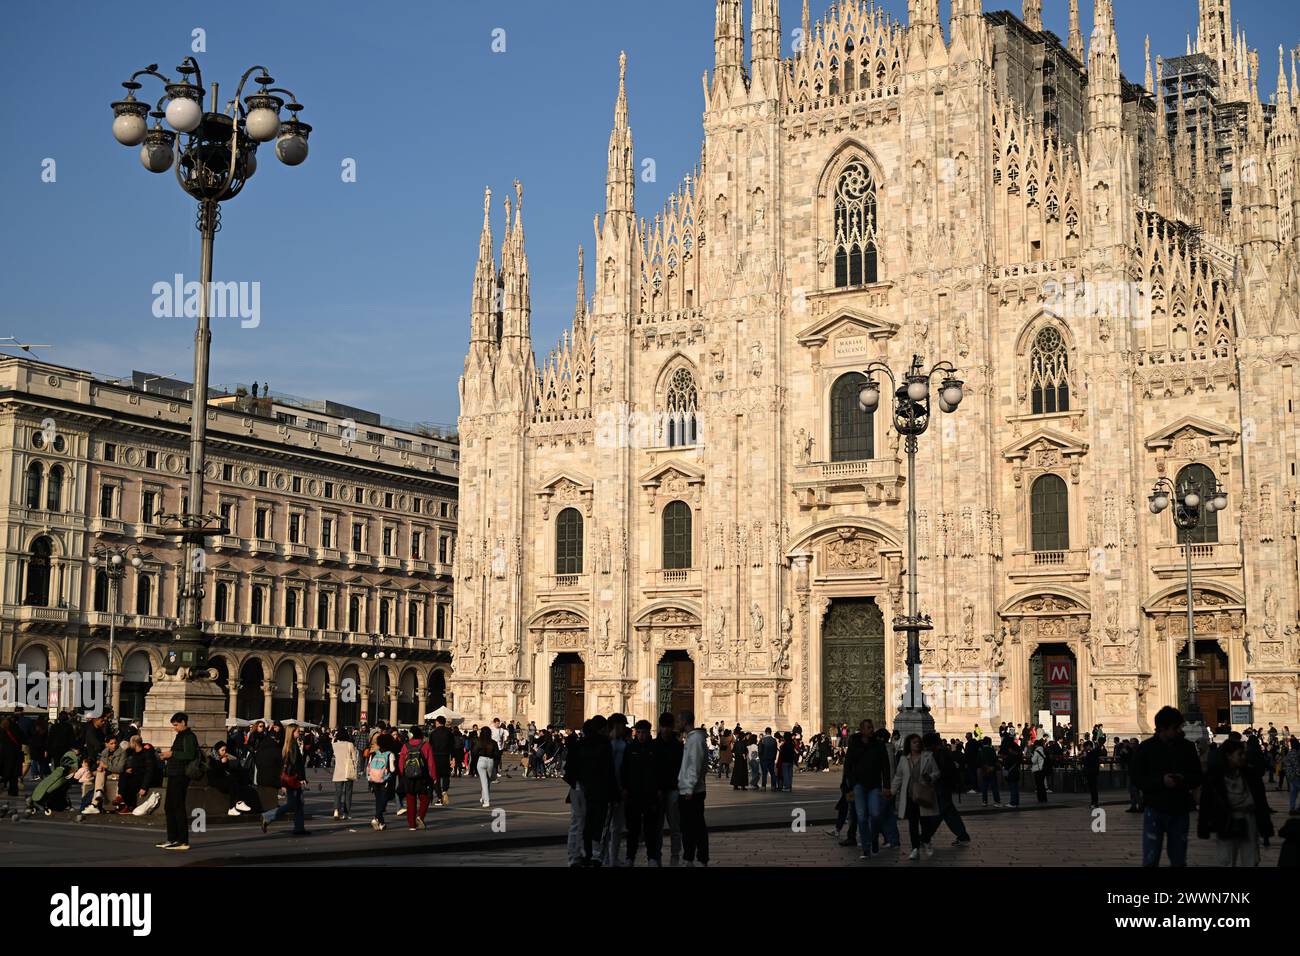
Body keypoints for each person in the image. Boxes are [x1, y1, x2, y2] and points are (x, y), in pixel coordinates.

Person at [1136, 705, 1204, 867]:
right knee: (1151, 858)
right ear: (1163, 728)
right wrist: (1161, 781)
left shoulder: (1187, 747)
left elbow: (1197, 776)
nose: (1180, 730)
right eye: (1176, 727)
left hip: (1179, 808)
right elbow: (1137, 778)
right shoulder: (1146, 748)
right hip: (1155, 807)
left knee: (1179, 858)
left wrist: (1183, 778)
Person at [1198, 738, 1274, 866]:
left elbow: (1261, 802)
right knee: (1225, 859)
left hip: (1249, 818)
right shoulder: (1215, 777)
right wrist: (1204, 826)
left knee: (1251, 858)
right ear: (1228, 756)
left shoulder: (1251, 775)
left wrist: (1265, 827)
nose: (1243, 757)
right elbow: (1206, 803)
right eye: (1240, 754)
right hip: (1226, 820)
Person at [844, 720, 891, 860]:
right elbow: (848, 765)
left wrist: (887, 785)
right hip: (858, 785)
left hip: (875, 785)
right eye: (869, 728)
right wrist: (850, 784)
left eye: (872, 727)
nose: (871, 730)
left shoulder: (879, 744)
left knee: (875, 814)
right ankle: (866, 848)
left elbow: (885, 766)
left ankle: (874, 837)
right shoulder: (854, 744)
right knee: (862, 817)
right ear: (861, 730)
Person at [892, 733, 942, 861]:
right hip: (910, 796)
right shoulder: (904, 759)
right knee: (912, 823)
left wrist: (930, 777)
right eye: (914, 742)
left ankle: (926, 841)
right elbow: (898, 777)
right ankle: (915, 849)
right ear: (909, 744)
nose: (917, 744)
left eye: (918, 742)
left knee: (926, 822)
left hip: (923, 793)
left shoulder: (928, 757)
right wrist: (892, 791)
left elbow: (937, 772)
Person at [622, 719, 661, 866]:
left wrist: (658, 789)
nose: (641, 735)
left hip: (650, 795)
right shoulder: (630, 748)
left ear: (648, 732)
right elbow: (624, 770)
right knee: (633, 829)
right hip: (634, 794)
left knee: (651, 829)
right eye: (638, 732)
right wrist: (625, 788)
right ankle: (630, 857)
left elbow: (659, 771)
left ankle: (652, 857)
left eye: (643, 732)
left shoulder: (654, 748)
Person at [158, 712, 199, 850]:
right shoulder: (181, 736)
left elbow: (189, 754)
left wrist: (172, 754)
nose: (174, 728)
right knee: (169, 806)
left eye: (176, 725)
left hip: (181, 775)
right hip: (174, 774)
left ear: (183, 722)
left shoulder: (189, 736)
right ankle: (172, 838)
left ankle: (182, 840)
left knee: (178, 807)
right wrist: (167, 756)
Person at [261, 724, 309, 836]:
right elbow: (294, 764)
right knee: (293, 804)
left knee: (298, 804)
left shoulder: (288, 744)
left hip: (289, 778)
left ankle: (299, 828)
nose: (299, 732)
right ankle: (268, 816)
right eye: (297, 731)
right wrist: (301, 778)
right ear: (292, 732)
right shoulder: (293, 745)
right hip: (293, 779)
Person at [677, 710, 709, 866]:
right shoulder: (693, 738)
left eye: (679, 721)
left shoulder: (695, 739)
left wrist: (689, 788)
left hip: (692, 792)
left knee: (693, 827)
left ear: (684, 722)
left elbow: (695, 765)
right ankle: (691, 857)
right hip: (691, 789)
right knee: (692, 826)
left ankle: (696, 858)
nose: (678, 724)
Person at [655, 711, 684, 866]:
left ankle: (675, 855)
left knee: (675, 826)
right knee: (657, 827)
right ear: (660, 727)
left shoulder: (678, 746)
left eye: (667, 727)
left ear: (671, 727)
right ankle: (656, 854)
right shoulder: (654, 745)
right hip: (658, 792)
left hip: (673, 790)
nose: (665, 730)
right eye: (663, 727)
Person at [399, 726, 436, 830]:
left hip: (408, 776)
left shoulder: (405, 746)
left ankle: (412, 825)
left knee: (410, 800)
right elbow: (431, 763)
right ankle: (420, 815)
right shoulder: (426, 745)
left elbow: (401, 761)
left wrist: (403, 774)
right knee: (425, 797)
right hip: (422, 776)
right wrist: (433, 776)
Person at [207, 740, 257, 816]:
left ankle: (236, 805)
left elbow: (227, 771)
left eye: (225, 750)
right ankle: (235, 806)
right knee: (232, 780)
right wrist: (222, 763)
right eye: (222, 750)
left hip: (223, 779)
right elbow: (215, 772)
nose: (224, 752)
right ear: (217, 751)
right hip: (215, 780)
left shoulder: (224, 758)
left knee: (234, 779)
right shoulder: (212, 759)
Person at [366, 732, 396, 830]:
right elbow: (392, 769)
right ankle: (376, 817)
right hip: (384, 780)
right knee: (383, 800)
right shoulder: (390, 754)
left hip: (373, 779)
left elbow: (368, 766)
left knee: (378, 800)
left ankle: (381, 823)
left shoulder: (374, 753)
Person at [332, 728, 356, 819]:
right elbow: (354, 759)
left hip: (338, 771)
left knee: (338, 792)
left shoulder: (335, 745)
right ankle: (346, 813)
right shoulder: (350, 744)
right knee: (348, 793)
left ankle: (336, 811)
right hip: (348, 771)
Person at [429, 715, 454, 806]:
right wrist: (453, 758)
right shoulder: (449, 733)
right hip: (445, 757)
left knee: (436, 778)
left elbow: (430, 747)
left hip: (435, 757)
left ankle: (439, 797)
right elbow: (452, 746)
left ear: (438, 722)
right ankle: (445, 790)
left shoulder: (433, 733)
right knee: (446, 776)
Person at [473, 726, 499, 808]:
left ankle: (486, 800)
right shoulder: (493, 742)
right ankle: (484, 797)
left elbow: (474, 752)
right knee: (487, 781)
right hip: (490, 761)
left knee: (484, 782)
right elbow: (497, 754)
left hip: (481, 761)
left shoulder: (479, 742)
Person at [0, 716, 26, 797]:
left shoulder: (1, 730)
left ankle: (3, 784)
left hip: (2, 754)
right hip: (15, 754)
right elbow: (23, 739)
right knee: (14, 775)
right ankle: (13, 791)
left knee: (3, 772)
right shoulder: (16, 728)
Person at [1082, 739, 1104, 809]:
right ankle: (1094, 802)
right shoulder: (1090, 753)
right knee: (1092, 789)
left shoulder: (1092, 752)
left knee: (1093, 789)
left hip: (1092, 773)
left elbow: (1089, 762)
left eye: (1085, 747)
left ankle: (1094, 802)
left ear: (1089, 746)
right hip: (1091, 772)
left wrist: (1086, 756)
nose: (1085, 748)